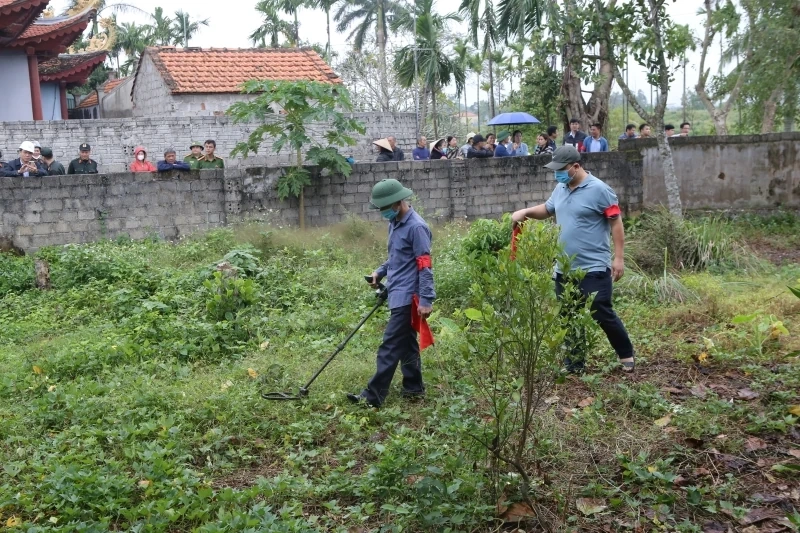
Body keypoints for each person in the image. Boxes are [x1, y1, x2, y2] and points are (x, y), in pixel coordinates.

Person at [510, 145, 635, 374]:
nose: (556, 174)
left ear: (576, 167)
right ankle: (574, 364)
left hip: (594, 265)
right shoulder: (561, 187)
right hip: (565, 267)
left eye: (561, 169)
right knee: (569, 315)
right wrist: (525, 212)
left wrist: (618, 258)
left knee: (601, 310)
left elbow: (615, 223)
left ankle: (626, 353)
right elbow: (548, 209)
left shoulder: (600, 190)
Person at [348, 178, 435, 408]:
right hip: (397, 291)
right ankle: (414, 388)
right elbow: (397, 258)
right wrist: (379, 272)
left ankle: (372, 397)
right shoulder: (395, 222)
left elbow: (424, 265)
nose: (382, 213)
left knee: (389, 345)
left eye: (385, 208)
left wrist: (426, 299)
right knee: (407, 343)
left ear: (398, 202)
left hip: (409, 297)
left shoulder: (416, 227)